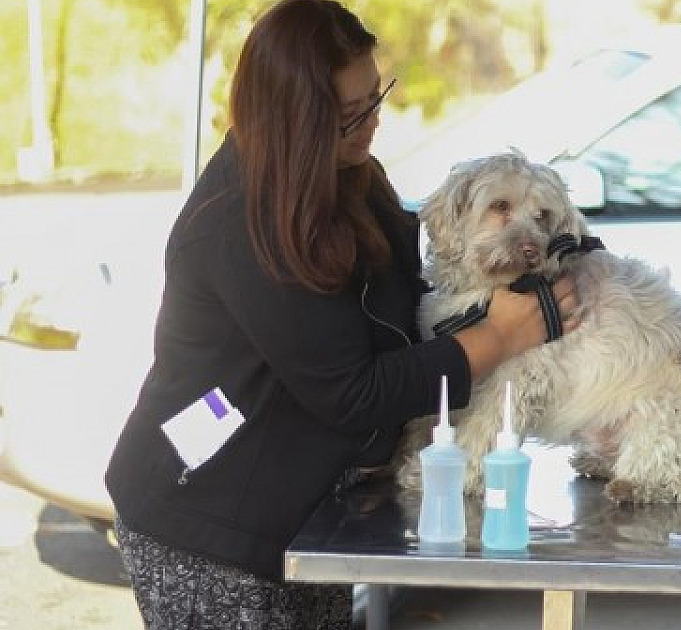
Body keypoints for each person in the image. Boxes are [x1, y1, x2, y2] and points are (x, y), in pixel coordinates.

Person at [104, 1, 577, 628]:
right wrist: (499, 335)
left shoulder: (347, 173)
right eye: (349, 115)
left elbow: (403, 305)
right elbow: (351, 391)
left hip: (308, 512)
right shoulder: (239, 223)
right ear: (292, 120)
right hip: (210, 522)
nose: (371, 125)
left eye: (375, 98)